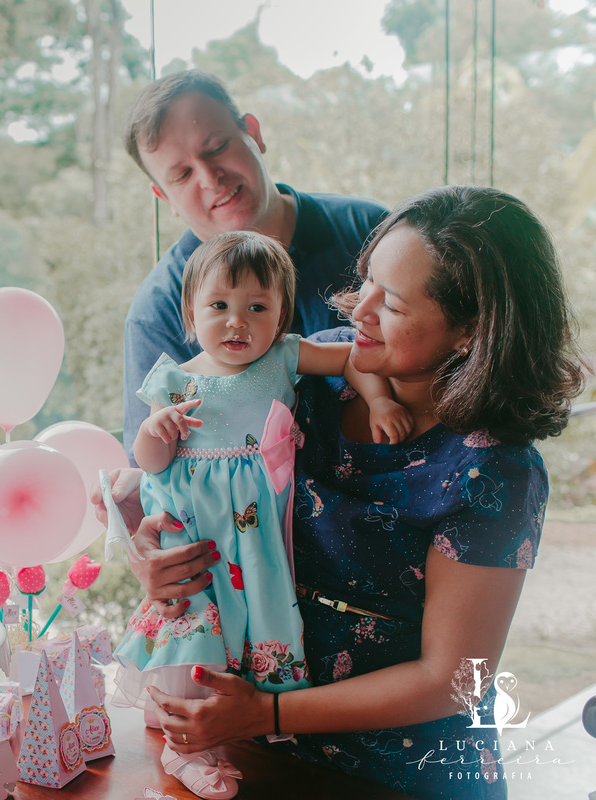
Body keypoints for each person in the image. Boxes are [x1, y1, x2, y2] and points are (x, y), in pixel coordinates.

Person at [97, 185, 586, 800]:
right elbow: (190, 480)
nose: (360, 312)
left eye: (395, 304)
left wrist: (266, 714)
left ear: (470, 330)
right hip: (241, 743)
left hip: (399, 773)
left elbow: (455, 677)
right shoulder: (311, 371)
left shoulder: (495, 472)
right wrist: (159, 556)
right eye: (368, 281)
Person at [112, 230, 412, 799]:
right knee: (195, 619)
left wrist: (377, 398)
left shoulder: (282, 357)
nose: (237, 322)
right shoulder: (175, 382)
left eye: (257, 307)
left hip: (254, 534)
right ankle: (185, 746)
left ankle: (217, 723)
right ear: (191, 312)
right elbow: (150, 465)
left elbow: (352, 357)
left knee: (254, 618)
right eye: (219, 306)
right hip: (196, 531)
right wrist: (157, 430)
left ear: (280, 317)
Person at [122, 69, 388, 463]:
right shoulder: (157, 312)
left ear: (254, 134)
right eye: (181, 174)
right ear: (165, 198)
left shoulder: (372, 232)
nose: (210, 178)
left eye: (216, 147)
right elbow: (151, 468)